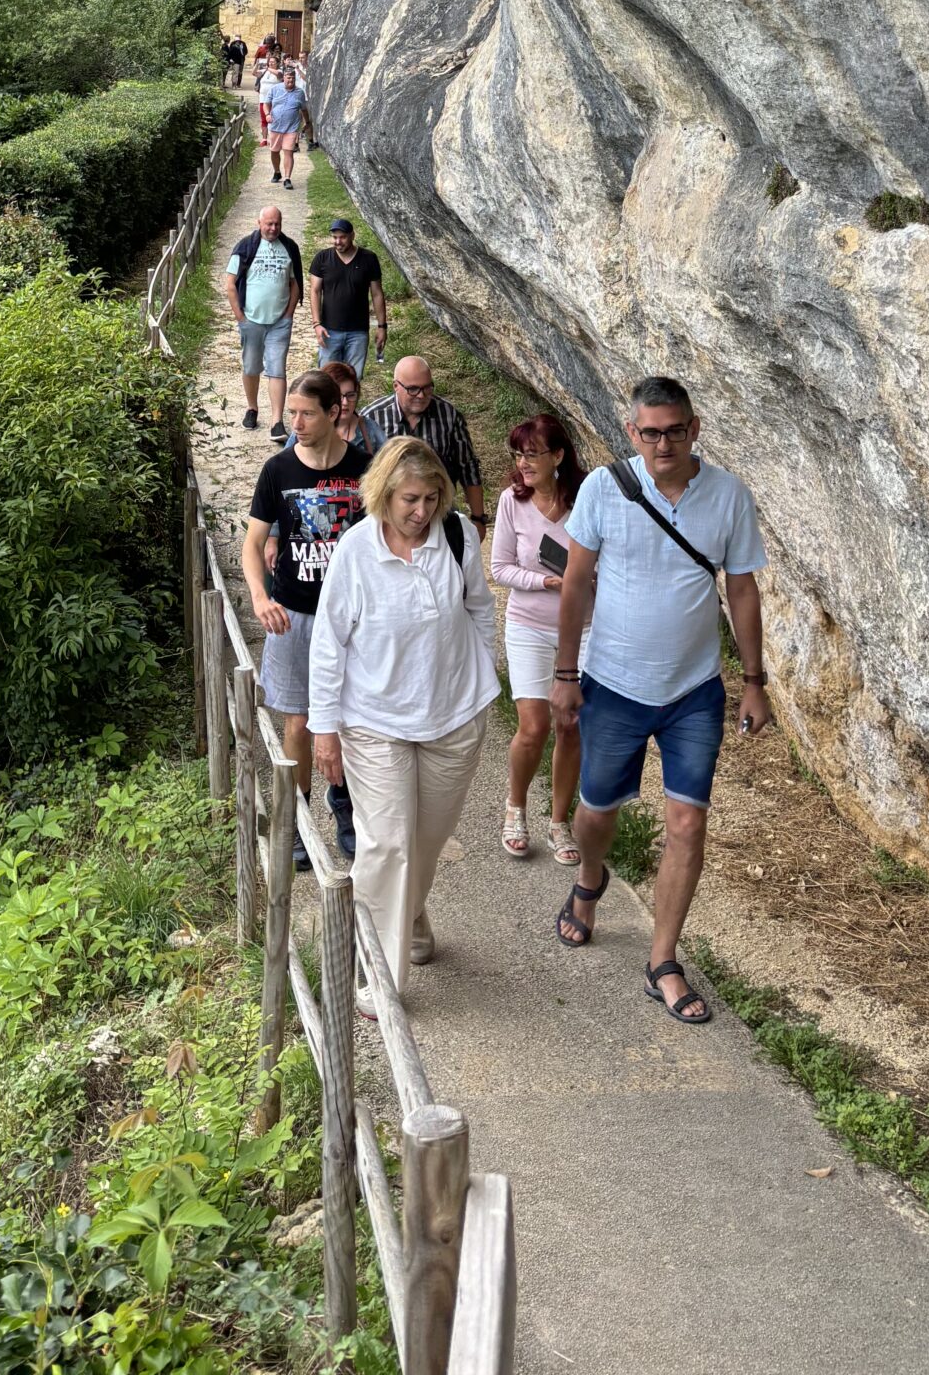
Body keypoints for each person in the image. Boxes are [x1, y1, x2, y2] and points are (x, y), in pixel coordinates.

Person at [548, 376, 770, 1024]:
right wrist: (565, 673)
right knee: (595, 814)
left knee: (688, 823)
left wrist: (754, 680)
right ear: (632, 432)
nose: (663, 444)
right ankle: (590, 878)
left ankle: (663, 960)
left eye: (675, 431)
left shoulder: (729, 496)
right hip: (614, 685)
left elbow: (742, 589)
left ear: (694, 428)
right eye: (650, 433)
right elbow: (576, 582)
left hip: (694, 691)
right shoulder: (604, 489)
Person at [309, 438, 499, 1007]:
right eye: (410, 500)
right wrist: (324, 728)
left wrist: (479, 678)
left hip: (453, 716)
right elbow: (328, 642)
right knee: (387, 845)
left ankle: (409, 915)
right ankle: (380, 977)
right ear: (384, 494)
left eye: (431, 498)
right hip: (374, 721)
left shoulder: (456, 535)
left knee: (426, 841)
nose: (422, 511)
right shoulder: (356, 550)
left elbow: (480, 607)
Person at [242, 367, 370, 868]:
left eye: (306, 414)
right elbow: (253, 544)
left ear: (335, 412)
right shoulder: (278, 470)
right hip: (294, 613)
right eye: (291, 412)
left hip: (353, 619)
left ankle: (345, 805)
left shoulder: (365, 469)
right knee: (298, 721)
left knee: (351, 719)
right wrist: (259, 597)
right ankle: (296, 820)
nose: (294, 422)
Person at [489, 414, 590, 863]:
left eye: (532, 454)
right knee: (534, 726)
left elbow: (609, 561)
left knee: (571, 724)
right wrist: (545, 581)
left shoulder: (586, 501)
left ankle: (560, 821)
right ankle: (516, 807)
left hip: (584, 627)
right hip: (528, 622)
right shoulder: (512, 501)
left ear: (558, 456)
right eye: (519, 454)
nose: (523, 463)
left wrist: (587, 578)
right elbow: (500, 568)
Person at [360, 357, 485, 530]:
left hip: (438, 516)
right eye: (413, 389)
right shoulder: (371, 418)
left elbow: (468, 467)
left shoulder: (448, 415)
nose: (421, 395)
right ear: (396, 386)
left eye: (427, 388)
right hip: (387, 521)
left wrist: (479, 519)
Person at [223, 203, 304, 438]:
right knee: (251, 366)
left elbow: (295, 283)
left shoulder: (289, 247)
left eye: (277, 224)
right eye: (269, 223)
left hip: (279, 322)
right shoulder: (245, 247)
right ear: (259, 223)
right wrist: (241, 317)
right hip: (251, 320)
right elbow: (230, 284)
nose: (273, 228)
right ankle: (252, 408)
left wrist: (288, 314)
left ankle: (277, 422)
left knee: (277, 368)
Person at [309, 217, 387, 379]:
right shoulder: (322, 258)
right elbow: (315, 291)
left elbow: (377, 294)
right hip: (329, 331)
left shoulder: (369, 258)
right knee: (327, 380)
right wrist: (317, 324)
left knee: (354, 379)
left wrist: (382, 327)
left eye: (342, 237)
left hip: (358, 331)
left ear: (352, 236)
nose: (338, 242)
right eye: (334, 237)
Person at [265, 68, 309, 187]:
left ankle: (287, 178)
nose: (291, 80)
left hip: (291, 128)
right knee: (274, 151)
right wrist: (267, 114)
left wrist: (307, 122)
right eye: (288, 78)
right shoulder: (275, 89)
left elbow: (304, 109)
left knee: (288, 152)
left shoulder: (299, 92)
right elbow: (266, 103)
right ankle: (277, 172)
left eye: (293, 78)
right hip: (275, 126)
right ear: (283, 77)